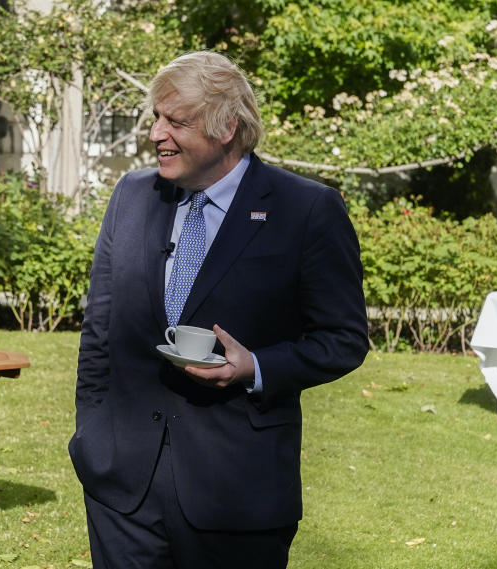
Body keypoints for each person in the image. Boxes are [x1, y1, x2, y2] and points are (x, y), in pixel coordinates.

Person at [69, 51, 369, 569]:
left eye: (176, 121)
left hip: (239, 492)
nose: (157, 134)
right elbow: (99, 328)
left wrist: (255, 367)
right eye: (156, 118)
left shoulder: (307, 209)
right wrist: (92, 438)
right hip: (121, 487)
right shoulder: (132, 195)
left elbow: (343, 339)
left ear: (227, 127)